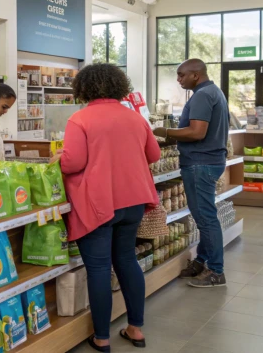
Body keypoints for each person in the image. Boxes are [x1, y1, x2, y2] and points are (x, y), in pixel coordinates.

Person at [51, 64, 160, 351]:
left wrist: (59, 158)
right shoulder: (135, 118)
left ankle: (102, 338)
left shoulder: (80, 119)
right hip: (133, 199)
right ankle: (135, 328)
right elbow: (154, 154)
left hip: (99, 203)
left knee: (98, 268)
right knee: (126, 260)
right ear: (119, 85)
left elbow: (74, 163)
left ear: (84, 88)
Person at [153, 58, 229, 288]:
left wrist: (165, 131)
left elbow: (197, 133)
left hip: (200, 163)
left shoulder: (202, 95)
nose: (178, 79)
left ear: (196, 75)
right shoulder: (214, 92)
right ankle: (202, 261)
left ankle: (216, 272)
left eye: (181, 75)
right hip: (209, 161)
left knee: (205, 218)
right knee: (204, 216)